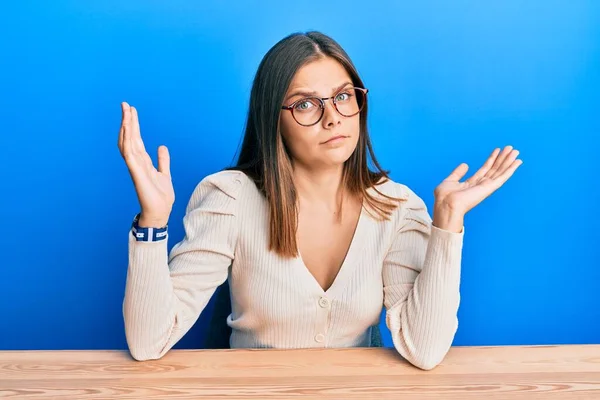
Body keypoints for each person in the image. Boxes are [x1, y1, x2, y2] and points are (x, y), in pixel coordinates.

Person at [118, 31, 522, 370]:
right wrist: (153, 222)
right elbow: (147, 342)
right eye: (306, 104)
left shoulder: (398, 208)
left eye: (344, 97)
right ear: (271, 118)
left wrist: (447, 222)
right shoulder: (229, 198)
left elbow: (425, 350)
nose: (333, 118)